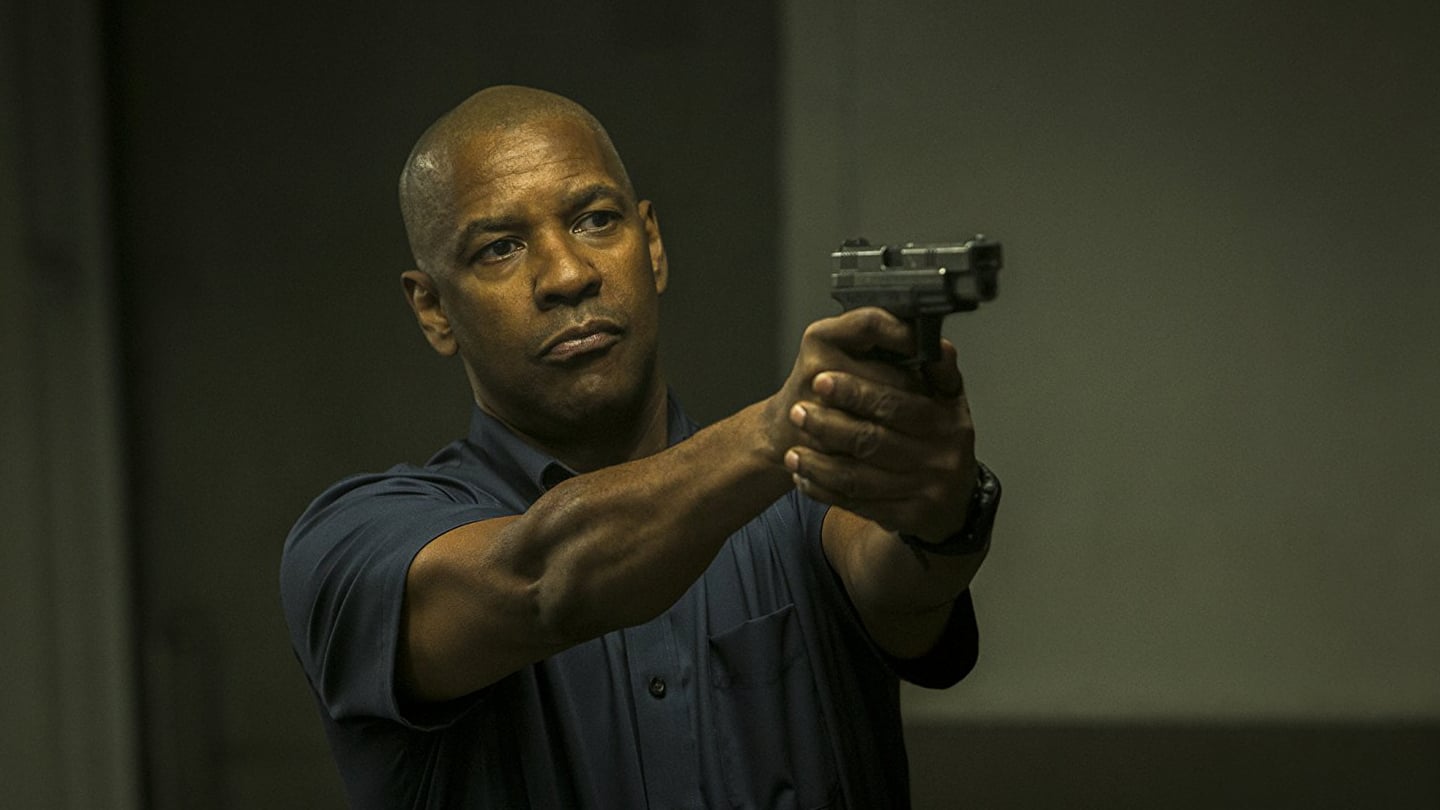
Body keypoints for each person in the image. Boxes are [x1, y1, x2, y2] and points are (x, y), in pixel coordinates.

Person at [280, 84, 1001, 809]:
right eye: (499, 248)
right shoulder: (354, 542)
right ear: (434, 308)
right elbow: (542, 579)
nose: (568, 275)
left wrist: (938, 504)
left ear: (651, 243)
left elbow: (901, 575)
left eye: (595, 220)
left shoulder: (800, 490)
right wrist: (779, 431)